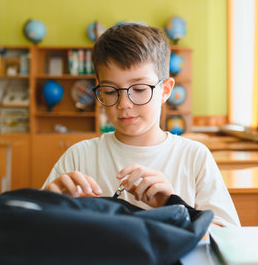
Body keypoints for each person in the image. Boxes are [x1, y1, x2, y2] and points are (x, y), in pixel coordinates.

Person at [42, 22, 240, 227]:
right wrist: (47, 207)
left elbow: (228, 236)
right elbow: (33, 234)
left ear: (165, 90)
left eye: (139, 89)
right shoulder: (78, 157)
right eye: (110, 91)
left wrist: (172, 205)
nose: (124, 104)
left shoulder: (194, 157)